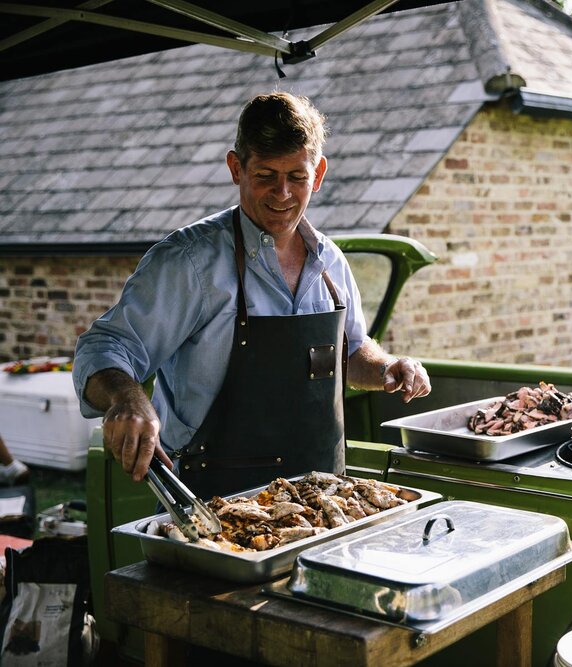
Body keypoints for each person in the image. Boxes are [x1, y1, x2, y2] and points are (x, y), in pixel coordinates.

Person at [73, 92, 431, 499]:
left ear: (318, 174)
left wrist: (387, 367)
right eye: (265, 175)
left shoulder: (330, 261)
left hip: (320, 498)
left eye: (296, 176)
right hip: (211, 503)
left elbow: (349, 352)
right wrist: (127, 397)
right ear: (236, 167)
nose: (281, 193)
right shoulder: (190, 262)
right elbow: (103, 347)